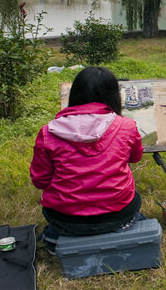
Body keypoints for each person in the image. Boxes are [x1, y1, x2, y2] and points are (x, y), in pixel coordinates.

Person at [30, 67, 144, 253]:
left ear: (74, 94)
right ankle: (123, 228)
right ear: (114, 95)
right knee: (135, 198)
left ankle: (57, 236)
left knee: (53, 215)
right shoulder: (127, 126)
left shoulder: (48, 131)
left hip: (66, 217)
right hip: (118, 212)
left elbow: (40, 181)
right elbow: (135, 157)